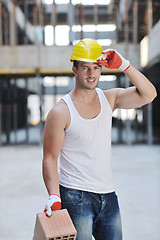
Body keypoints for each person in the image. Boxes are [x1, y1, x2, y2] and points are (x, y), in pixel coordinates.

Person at [42, 38, 157, 240]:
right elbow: (50, 157)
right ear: (74, 69)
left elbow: (149, 94)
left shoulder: (109, 99)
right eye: (85, 68)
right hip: (75, 196)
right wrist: (54, 196)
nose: (91, 73)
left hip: (109, 195)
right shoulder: (61, 111)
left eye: (96, 67)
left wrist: (124, 65)